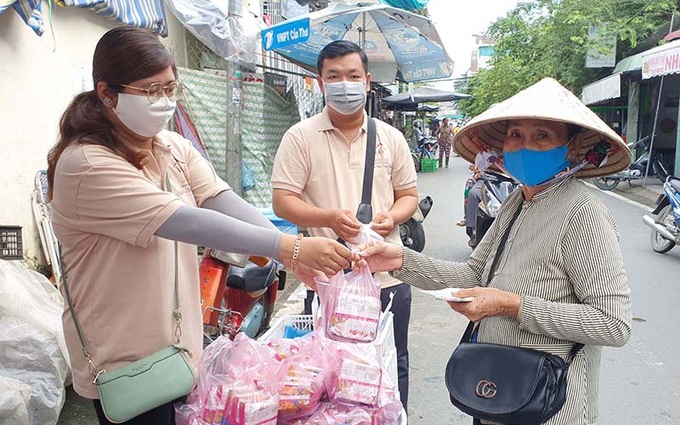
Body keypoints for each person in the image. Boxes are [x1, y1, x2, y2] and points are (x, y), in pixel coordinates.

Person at [47, 27, 353, 425]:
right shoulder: (87, 164)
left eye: (170, 88)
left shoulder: (169, 146)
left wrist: (291, 254)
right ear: (107, 94)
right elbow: (185, 221)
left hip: (177, 350)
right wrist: (289, 248)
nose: (163, 101)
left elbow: (219, 199)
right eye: (149, 90)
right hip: (126, 363)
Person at [355, 78, 632, 425]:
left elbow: (613, 323)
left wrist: (512, 305)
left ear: (572, 148)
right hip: (499, 396)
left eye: (542, 135)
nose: (525, 146)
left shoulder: (583, 213)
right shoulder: (516, 201)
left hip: (550, 408)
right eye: (516, 135)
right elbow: (474, 274)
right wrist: (400, 260)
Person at [271, 40, 418, 412]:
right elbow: (283, 202)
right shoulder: (299, 137)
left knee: (390, 359)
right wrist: (329, 217)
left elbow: (409, 196)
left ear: (367, 81)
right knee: (329, 365)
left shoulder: (391, 138)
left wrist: (393, 217)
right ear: (320, 83)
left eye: (353, 76)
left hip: (387, 277)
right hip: (327, 279)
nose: (344, 84)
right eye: (334, 77)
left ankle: (391, 417)